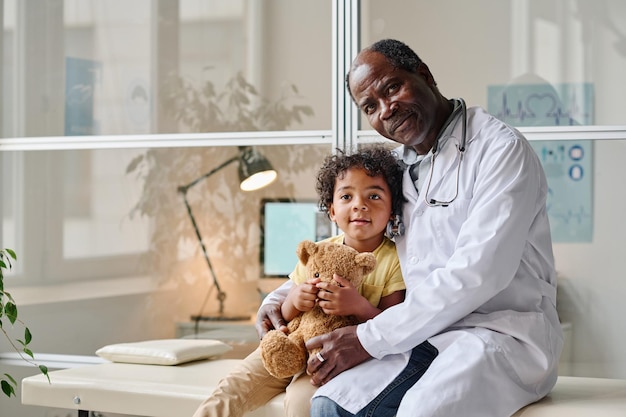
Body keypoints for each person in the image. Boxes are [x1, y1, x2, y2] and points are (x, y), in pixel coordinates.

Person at [257, 39, 564, 417]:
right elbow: (354, 246)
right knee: (330, 405)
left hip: (499, 335)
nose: (387, 109)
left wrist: (369, 338)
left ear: (424, 75)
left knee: (422, 411)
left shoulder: (500, 150)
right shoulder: (392, 174)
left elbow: (479, 274)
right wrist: (280, 297)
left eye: (392, 88)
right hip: (418, 334)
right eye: (370, 106)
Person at [192, 144, 429, 417]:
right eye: (347, 196)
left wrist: (359, 307)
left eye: (374, 196)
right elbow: (285, 314)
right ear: (331, 211)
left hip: (329, 357)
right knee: (232, 389)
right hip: (291, 343)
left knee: (302, 402)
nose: (359, 205)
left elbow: (392, 321)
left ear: (392, 211)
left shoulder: (394, 260)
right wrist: (294, 300)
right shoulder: (317, 251)